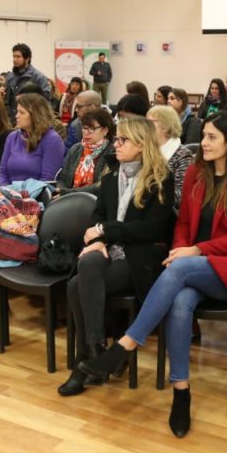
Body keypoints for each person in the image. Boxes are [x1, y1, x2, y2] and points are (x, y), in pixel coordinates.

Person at [81, 112, 227, 438]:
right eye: (204, 135)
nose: (203, 142)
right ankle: (181, 391)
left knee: (179, 269)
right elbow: (182, 223)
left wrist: (193, 251)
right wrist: (180, 249)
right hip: (191, 265)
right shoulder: (197, 172)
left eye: (211, 137)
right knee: (180, 303)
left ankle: (126, 344)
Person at [58, 116, 175, 396]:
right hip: (108, 251)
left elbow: (151, 229)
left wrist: (106, 232)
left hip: (139, 258)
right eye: (116, 139)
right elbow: (97, 216)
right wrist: (99, 240)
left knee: (75, 286)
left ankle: (84, 362)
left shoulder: (160, 179)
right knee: (88, 260)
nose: (116, 145)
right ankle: (96, 350)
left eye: (123, 140)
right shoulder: (111, 178)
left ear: (141, 144)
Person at [0, 93, 64, 185]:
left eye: (22, 112)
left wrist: (20, 193)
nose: (16, 116)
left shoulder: (52, 140)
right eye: (17, 111)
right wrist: (6, 190)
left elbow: (47, 179)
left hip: (36, 192)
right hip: (8, 191)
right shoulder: (12, 137)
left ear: (35, 115)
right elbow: (2, 173)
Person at [56, 109, 118, 195]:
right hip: (68, 197)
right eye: (84, 128)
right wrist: (61, 191)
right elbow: (62, 178)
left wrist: (67, 193)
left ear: (105, 130)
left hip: (93, 200)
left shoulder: (112, 151)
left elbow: (100, 186)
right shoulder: (76, 148)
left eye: (92, 128)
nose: (86, 132)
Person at [146, 104, 193, 210]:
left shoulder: (182, 155)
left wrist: (147, 195)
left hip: (165, 211)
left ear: (165, 127)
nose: (145, 127)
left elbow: (179, 196)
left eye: (150, 122)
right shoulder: (145, 149)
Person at [4, 44, 52, 118]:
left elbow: (45, 99)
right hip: (12, 119)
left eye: (18, 57)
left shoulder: (39, 77)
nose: (15, 59)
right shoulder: (10, 77)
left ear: (27, 59)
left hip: (32, 118)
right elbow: (7, 101)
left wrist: (26, 98)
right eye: (14, 56)